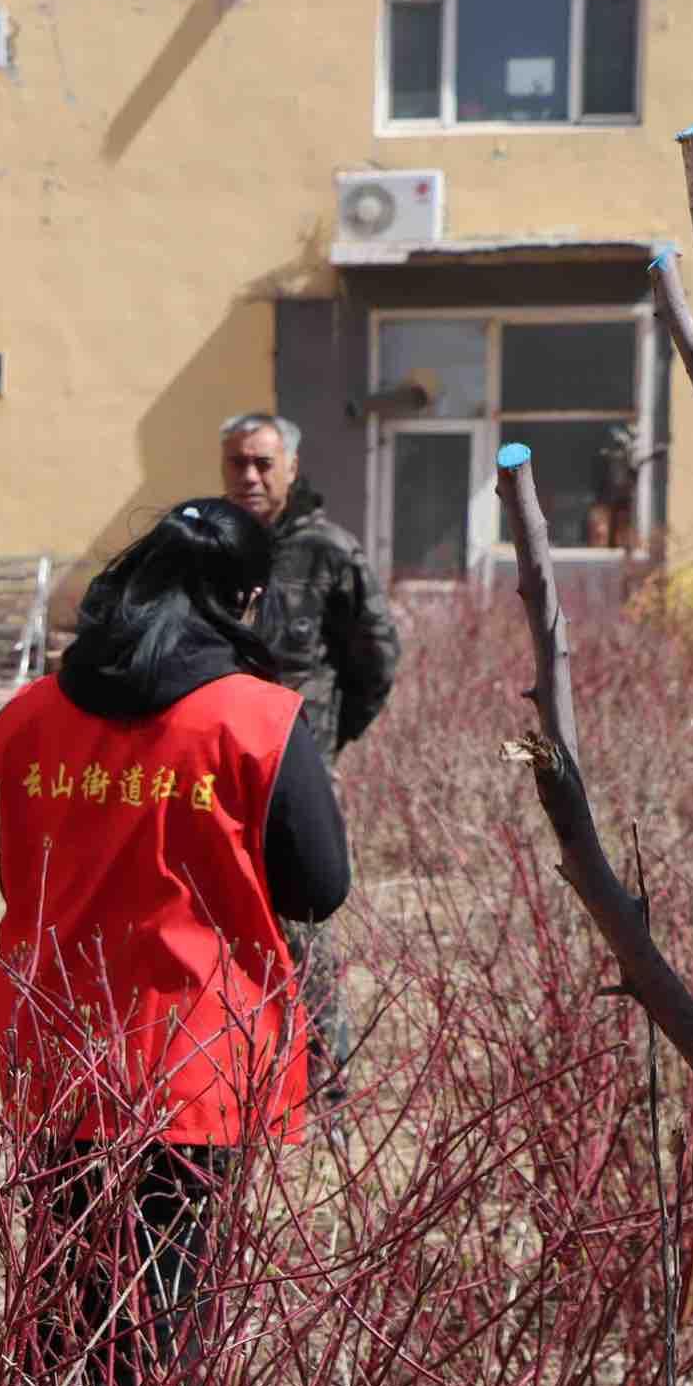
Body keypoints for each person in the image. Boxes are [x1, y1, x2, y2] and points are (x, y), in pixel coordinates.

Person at [0, 497, 350, 1386]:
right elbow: (319, 887)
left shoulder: (29, 717)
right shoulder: (254, 718)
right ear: (245, 600)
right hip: (192, 1057)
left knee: (60, 1306)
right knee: (161, 1313)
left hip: (59, 1044)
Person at [216, 411, 397, 1102]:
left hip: (294, 777)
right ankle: (236, 1070)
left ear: (290, 468)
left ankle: (324, 1080)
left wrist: (324, 742)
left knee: (304, 925)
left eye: (263, 463)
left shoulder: (326, 549)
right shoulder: (207, 543)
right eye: (237, 462)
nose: (250, 476)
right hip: (211, 772)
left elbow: (373, 660)